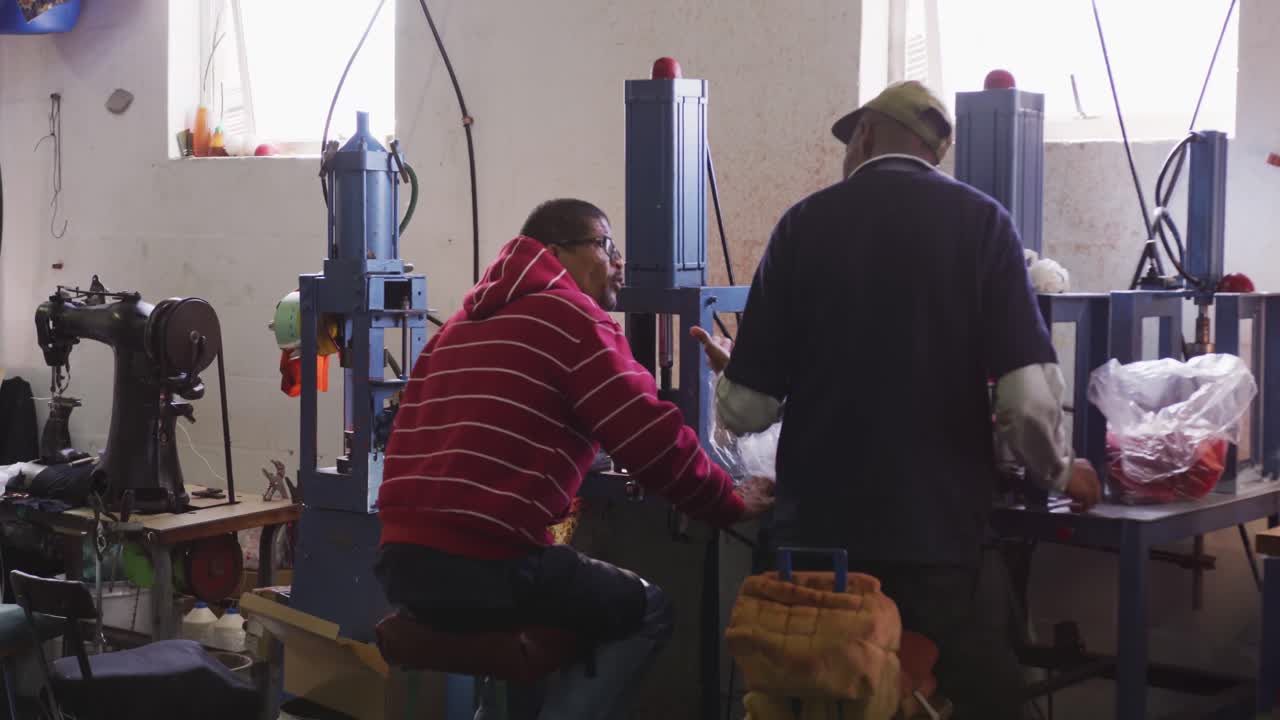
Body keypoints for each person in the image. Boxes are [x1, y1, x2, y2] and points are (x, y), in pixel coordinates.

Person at [690, 81, 1101, 720]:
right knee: (955, 695)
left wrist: (733, 377)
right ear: (934, 151)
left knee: (824, 700)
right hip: (935, 538)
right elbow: (1024, 398)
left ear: (867, 135)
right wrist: (1061, 471)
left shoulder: (803, 224)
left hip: (816, 544)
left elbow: (747, 412)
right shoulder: (984, 223)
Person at [375, 198, 775, 719]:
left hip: (402, 563)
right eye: (606, 246)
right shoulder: (569, 315)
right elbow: (648, 436)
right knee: (647, 610)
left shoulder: (457, 326)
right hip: (486, 562)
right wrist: (725, 501)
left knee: (558, 610)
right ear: (557, 251)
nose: (619, 262)